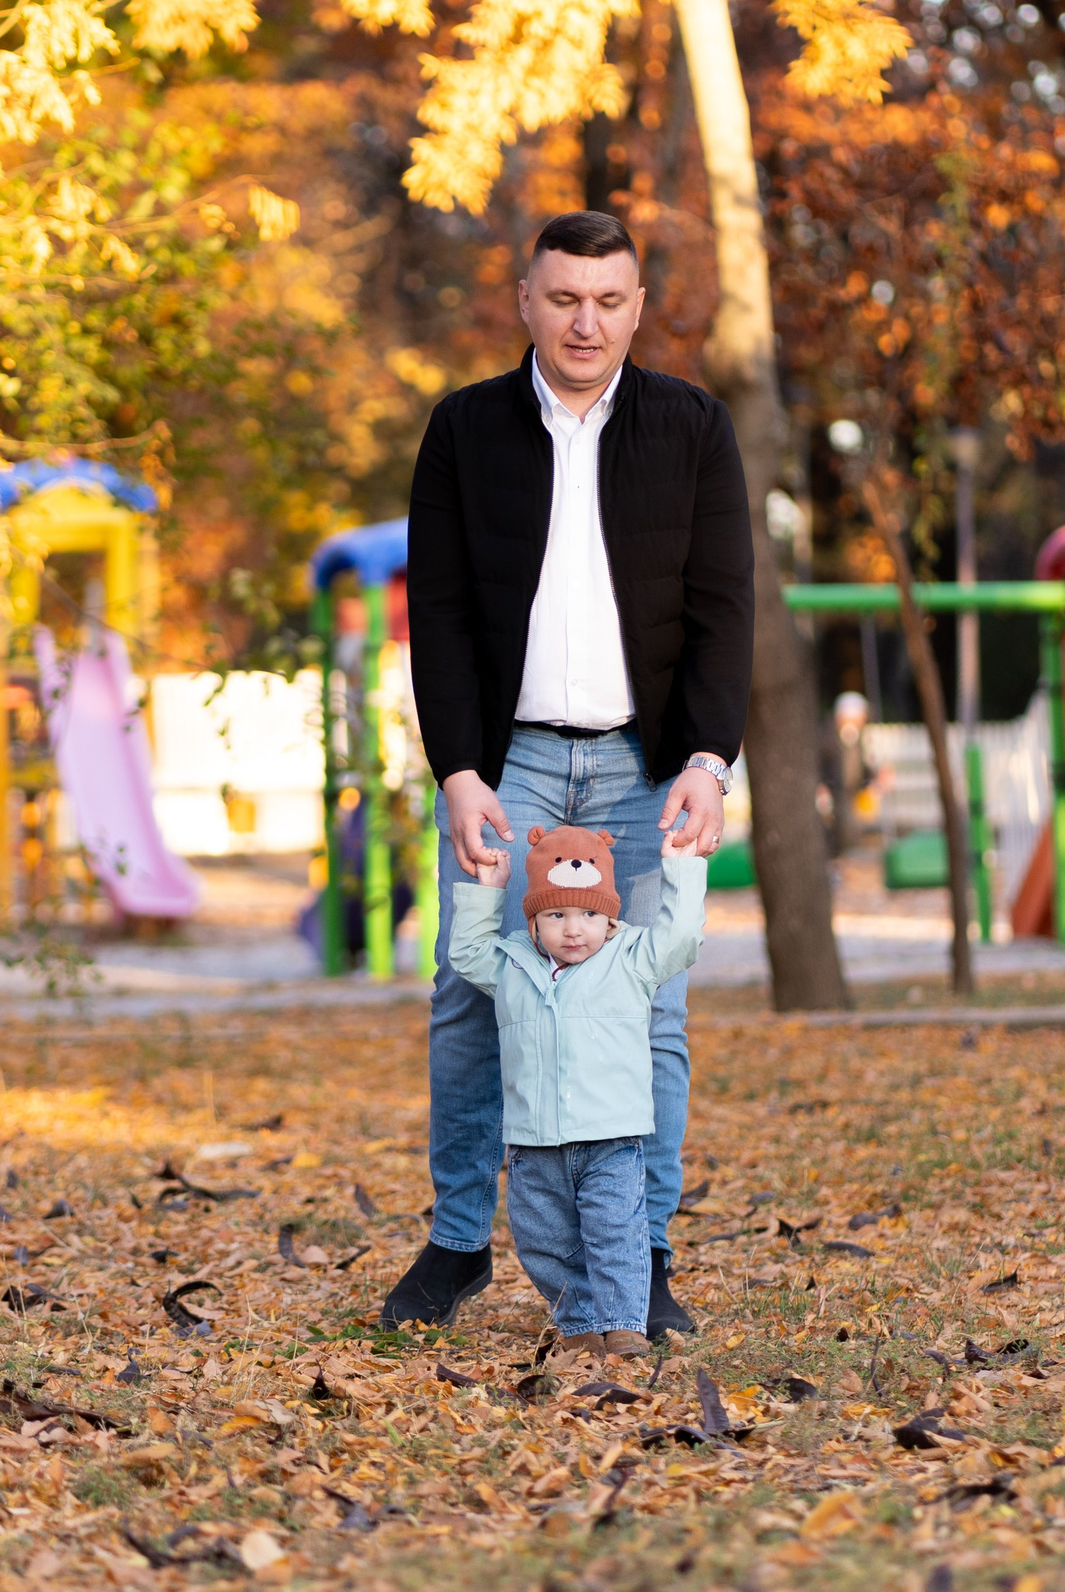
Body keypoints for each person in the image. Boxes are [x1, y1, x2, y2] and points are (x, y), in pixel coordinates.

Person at [386, 209, 753, 1341]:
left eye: (606, 301)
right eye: (562, 298)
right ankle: (459, 1241)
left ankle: (641, 1256)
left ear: (636, 308)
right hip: (512, 766)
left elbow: (723, 607)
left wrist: (708, 759)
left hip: (651, 768)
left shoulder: (692, 426)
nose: (584, 322)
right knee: (470, 994)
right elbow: (441, 613)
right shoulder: (465, 430)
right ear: (525, 302)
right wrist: (458, 770)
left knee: (650, 1010)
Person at [449, 827, 704, 1354]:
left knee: (615, 1235)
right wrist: (487, 891)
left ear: (609, 919)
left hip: (610, 1138)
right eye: (555, 915)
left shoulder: (632, 958)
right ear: (533, 921)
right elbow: (467, 953)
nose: (572, 930)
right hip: (534, 1144)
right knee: (544, 1243)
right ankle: (580, 1325)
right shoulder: (511, 964)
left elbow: (681, 939)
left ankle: (624, 1324)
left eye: (589, 914)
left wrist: (681, 868)